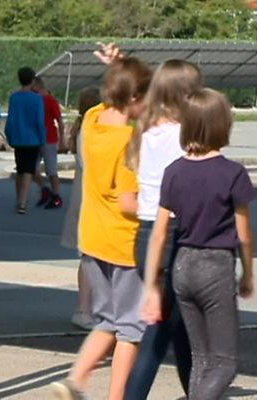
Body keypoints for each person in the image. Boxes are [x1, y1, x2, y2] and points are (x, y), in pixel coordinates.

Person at [143, 88, 256, 400]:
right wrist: (248, 273)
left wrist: (153, 285)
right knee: (225, 363)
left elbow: (160, 233)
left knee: (202, 359)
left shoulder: (173, 172)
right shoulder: (233, 173)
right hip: (216, 266)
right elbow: (244, 234)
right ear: (223, 125)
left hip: (182, 265)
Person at [51, 57, 153, 400]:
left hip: (90, 238)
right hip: (122, 242)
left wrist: (118, 64)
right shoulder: (128, 141)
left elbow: (110, 98)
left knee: (106, 320)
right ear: (136, 99)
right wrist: (159, 210)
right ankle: (117, 397)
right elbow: (128, 202)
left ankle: (75, 380)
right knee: (130, 329)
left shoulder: (93, 119)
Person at [123, 59, 204, 400]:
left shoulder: (146, 132)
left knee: (180, 329)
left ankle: (198, 392)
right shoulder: (182, 137)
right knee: (161, 331)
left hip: (145, 232)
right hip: (172, 233)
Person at [60, 87, 101, 330]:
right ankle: (84, 309)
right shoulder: (90, 129)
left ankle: (88, 308)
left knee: (90, 257)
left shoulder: (83, 127)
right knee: (90, 257)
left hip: (86, 197)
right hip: (90, 199)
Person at [4, 66, 46, 215]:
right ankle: (23, 201)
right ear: (33, 80)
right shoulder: (37, 99)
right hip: (33, 138)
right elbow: (39, 121)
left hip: (18, 137)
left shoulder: (14, 97)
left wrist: (9, 135)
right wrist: (43, 138)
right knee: (29, 170)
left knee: (20, 169)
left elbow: (11, 119)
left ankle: (19, 199)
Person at [32, 76, 64, 209]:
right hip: (35, 138)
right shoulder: (34, 100)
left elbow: (59, 121)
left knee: (51, 170)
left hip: (49, 138)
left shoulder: (50, 100)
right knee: (31, 168)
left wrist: (62, 140)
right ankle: (45, 189)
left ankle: (56, 196)